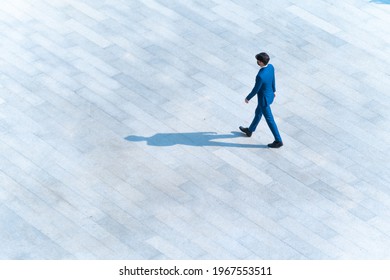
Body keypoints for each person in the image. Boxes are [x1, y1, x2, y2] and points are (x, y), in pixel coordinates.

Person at [239, 52, 283, 148]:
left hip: (263, 100)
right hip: (269, 95)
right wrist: (274, 90)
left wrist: (248, 97)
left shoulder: (260, 76)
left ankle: (278, 140)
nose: (257, 62)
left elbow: (256, 89)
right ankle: (250, 130)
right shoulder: (271, 67)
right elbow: (273, 79)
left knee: (270, 120)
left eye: (258, 61)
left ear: (262, 62)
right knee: (258, 113)